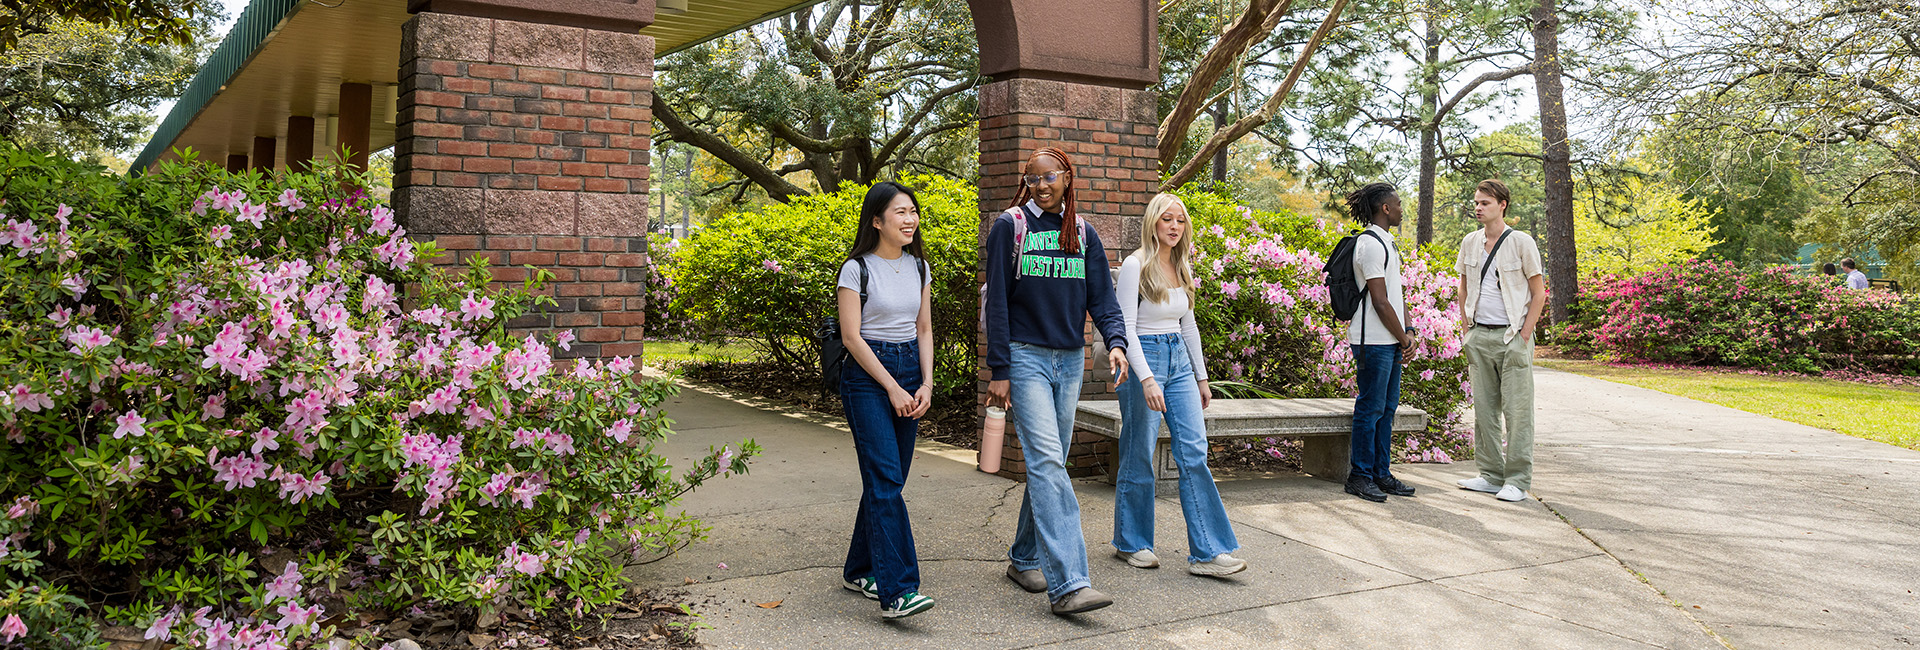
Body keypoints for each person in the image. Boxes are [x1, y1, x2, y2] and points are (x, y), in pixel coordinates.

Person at [983, 147, 1129, 615]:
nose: (1041, 185)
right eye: (1033, 178)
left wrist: (1117, 343)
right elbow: (998, 304)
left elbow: (1102, 298)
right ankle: (1069, 583)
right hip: (1025, 359)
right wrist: (1000, 370)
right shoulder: (1011, 225)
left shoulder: (1083, 233)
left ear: (1068, 177)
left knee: (1052, 462)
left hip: (1069, 361)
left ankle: (1024, 557)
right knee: (1048, 461)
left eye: (1050, 176)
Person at [1111, 193, 1246, 577]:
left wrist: (1201, 376)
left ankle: (1208, 552)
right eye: (1166, 219)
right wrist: (1147, 379)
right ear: (1153, 222)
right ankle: (1132, 542)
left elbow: (1188, 325)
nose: (1174, 226)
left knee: (1194, 453)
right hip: (1145, 360)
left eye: (1180, 221)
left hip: (1180, 362)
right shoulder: (1136, 265)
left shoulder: (1182, 266)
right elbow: (1126, 329)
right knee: (1139, 451)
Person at [835, 181, 937, 619]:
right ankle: (898, 591)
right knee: (887, 481)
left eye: (913, 211)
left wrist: (926, 384)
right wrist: (891, 387)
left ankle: (860, 568)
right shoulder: (855, 269)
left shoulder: (919, 268)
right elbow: (851, 337)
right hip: (866, 377)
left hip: (911, 369)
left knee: (886, 481)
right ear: (877, 220)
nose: (910, 219)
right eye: (900, 212)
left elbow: (924, 329)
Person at [1452, 179, 1547, 503]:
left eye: (1485, 203)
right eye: (1476, 202)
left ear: (1502, 204)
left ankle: (1517, 481)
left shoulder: (1521, 242)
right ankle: (1490, 475)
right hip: (1480, 335)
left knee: (1518, 413)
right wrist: (1468, 329)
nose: (1478, 208)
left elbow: (1538, 293)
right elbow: (1463, 286)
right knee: (1484, 411)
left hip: (1512, 337)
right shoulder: (1470, 242)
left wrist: (1523, 335)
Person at [1343, 182, 1417, 503]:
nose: (1402, 209)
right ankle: (1359, 476)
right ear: (1385, 209)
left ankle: (1380, 473)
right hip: (1372, 341)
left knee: (1386, 410)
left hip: (1390, 341)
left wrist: (1409, 330)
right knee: (1370, 408)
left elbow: (1397, 295)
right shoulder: (1370, 244)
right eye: (1398, 204)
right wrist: (1403, 339)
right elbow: (1379, 300)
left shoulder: (1388, 243)